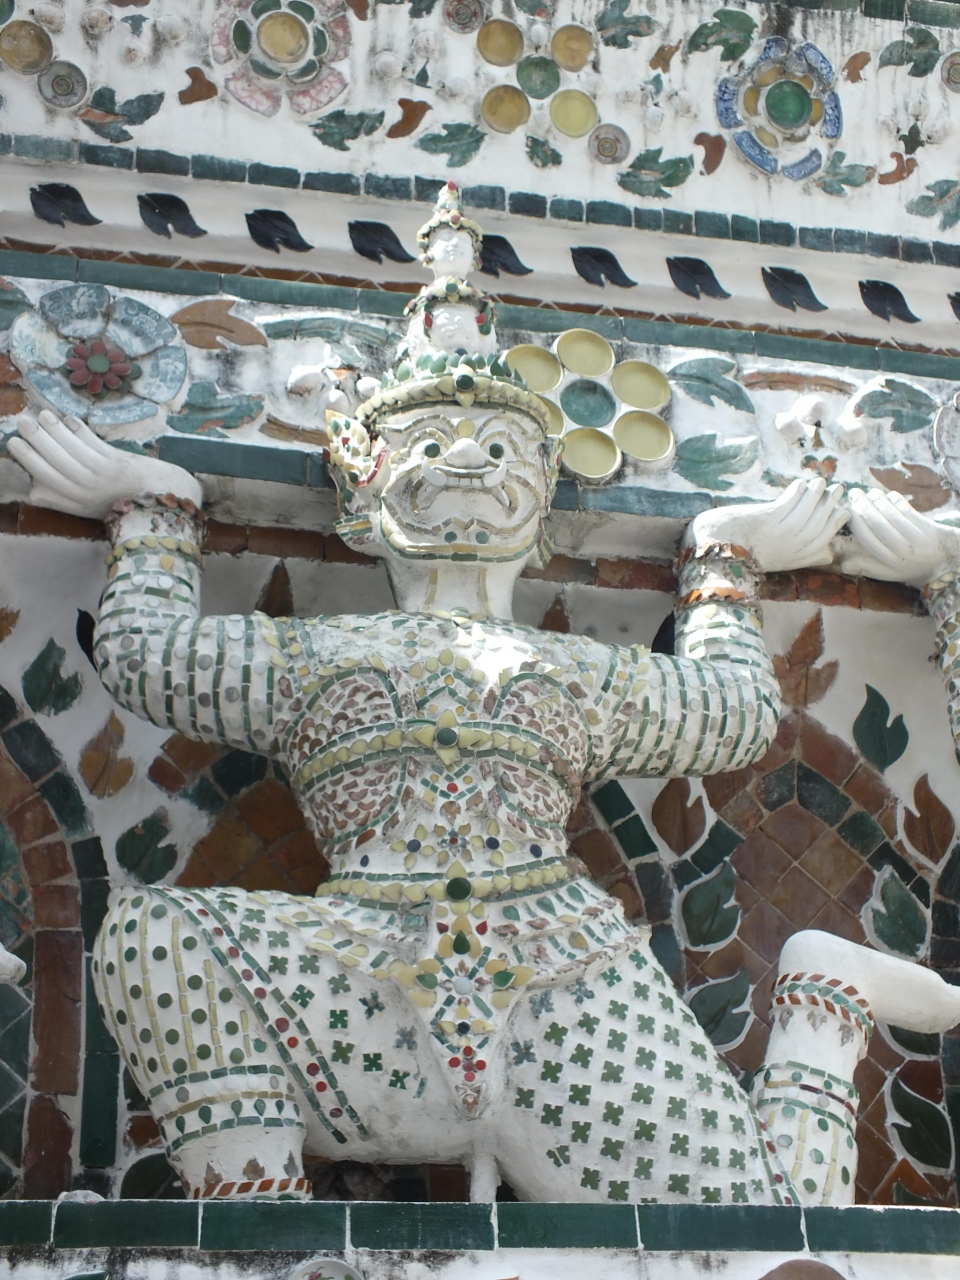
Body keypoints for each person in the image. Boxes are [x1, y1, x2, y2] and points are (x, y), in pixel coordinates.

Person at [10, 186, 960, 1207]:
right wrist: (159, 508)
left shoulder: (579, 673)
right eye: (428, 445)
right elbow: (149, 657)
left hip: (568, 989)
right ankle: (252, 1230)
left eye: (501, 451)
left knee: (767, 1230)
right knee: (153, 939)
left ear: (541, 506)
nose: (466, 459)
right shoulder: (308, 656)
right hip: (360, 977)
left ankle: (826, 996)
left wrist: (723, 553)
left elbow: (730, 713)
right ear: (364, 493)